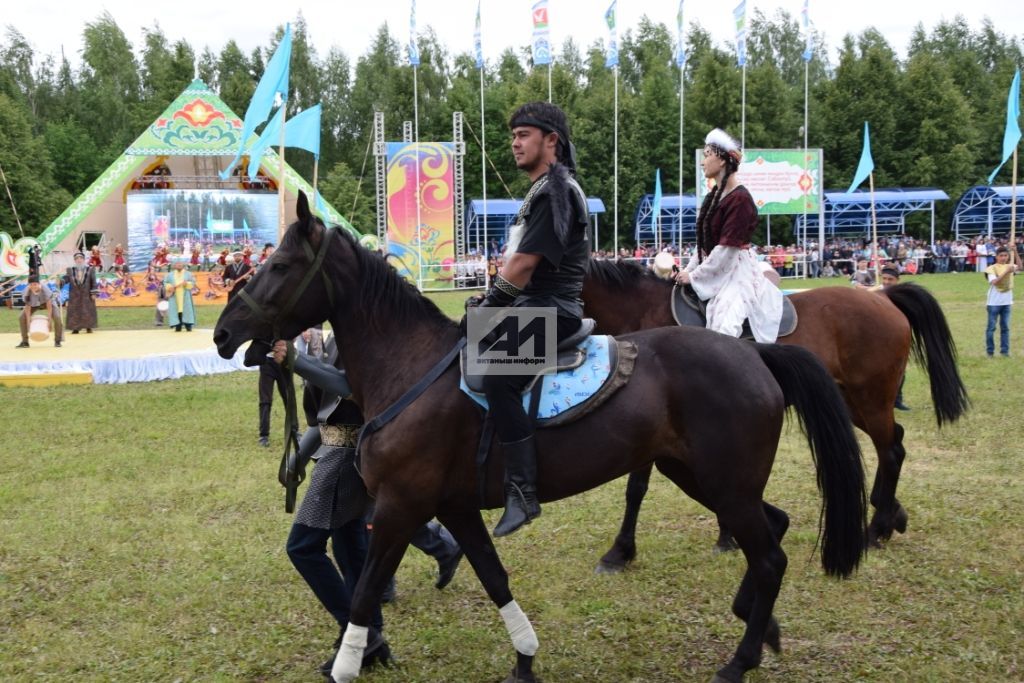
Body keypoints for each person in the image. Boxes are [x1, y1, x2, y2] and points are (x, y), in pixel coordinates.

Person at [262, 337, 462, 676]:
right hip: (343, 451)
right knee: (352, 548)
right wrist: (299, 456)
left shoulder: (364, 333)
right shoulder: (337, 333)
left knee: (302, 547)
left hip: (346, 458)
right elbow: (326, 416)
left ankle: (361, 633)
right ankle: (373, 636)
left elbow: (345, 387)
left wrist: (297, 361)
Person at [473, 101, 591, 537]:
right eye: (513, 136)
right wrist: (486, 302)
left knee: (496, 377)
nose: (515, 143)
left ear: (551, 141)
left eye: (524, 135)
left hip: (552, 311)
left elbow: (522, 265)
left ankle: (522, 491)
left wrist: (488, 309)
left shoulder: (555, 191)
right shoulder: (544, 188)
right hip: (532, 307)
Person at [674, 128, 783, 343]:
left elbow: (726, 251)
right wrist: (687, 271)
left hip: (737, 273)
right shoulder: (714, 195)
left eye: (707, 155)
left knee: (724, 329)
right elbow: (704, 245)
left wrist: (694, 277)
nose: (702, 162)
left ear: (722, 160)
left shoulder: (740, 199)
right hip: (720, 267)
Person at [984, 246, 1018, 357]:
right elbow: (995, 282)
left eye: (1005, 255)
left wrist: (1015, 252)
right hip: (994, 303)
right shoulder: (992, 268)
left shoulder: (1010, 266)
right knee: (991, 328)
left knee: (1005, 328)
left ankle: (1005, 351)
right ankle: (990, 352)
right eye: (1001, 256)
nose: (1003, 258)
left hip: (1007, 302)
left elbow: (1021, 267)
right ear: (997, 257)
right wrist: (1007, 272)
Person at [16, 276, 63, 348]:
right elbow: (27, 308)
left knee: (57, 317)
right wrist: (28, 323)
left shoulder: (45, 289)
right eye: (31, 285)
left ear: (39, 284)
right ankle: (25, 342)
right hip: (34, 304)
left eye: (35, 284)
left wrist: (49, 322)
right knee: (21, 317)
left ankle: (57, 340)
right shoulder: (26, 292)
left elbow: (49, 307)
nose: (33, 286)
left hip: (47, 303)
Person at [63, 252, 99, 334]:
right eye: (77, 259)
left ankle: (88, 327)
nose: (79, 260)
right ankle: (75, 328)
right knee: (75, 311)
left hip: (87, 294)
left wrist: (93, 293)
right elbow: (66, 279)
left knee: (87, 310)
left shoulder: (90, 269)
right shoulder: (70, 270)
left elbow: (93, 281)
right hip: (74, 294)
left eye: (80, 258)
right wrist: (61, 281)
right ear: (75, 260)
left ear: (83, 260)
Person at [163, 261, 196, 332]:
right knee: (176, 309)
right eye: (177, 264)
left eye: (180, 264)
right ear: (174, 266)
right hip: (174, 296)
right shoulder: (170, 275)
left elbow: (193, 282)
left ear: (183, 265)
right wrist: (170, 287)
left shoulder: (188, 274)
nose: (179, 265)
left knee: (186, 309)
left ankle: (188, 325)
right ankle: (178, 325)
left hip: (185, 295)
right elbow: (165, 282)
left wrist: (187, 283)